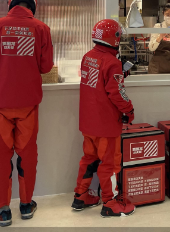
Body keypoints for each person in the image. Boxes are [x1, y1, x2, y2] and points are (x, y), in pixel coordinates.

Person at [0, 0, 54, 226]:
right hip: (28, 103)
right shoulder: (41, 28)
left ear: (10, 5)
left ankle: (3, 210)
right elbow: (46, 67)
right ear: (33, 7)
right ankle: (26, 205)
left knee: (0, 156)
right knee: (27, 155)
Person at [73, 19, 136, 218]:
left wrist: (119, 73)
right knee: (110, 164)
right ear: (114, 39)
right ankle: (110, 202)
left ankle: (80, 195)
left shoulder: (88, 57)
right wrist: (129, 110)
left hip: (88, 123)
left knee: (88, 159)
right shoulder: (112, 63)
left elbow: (98, 83)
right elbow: (117, 93)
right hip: (106, 124)